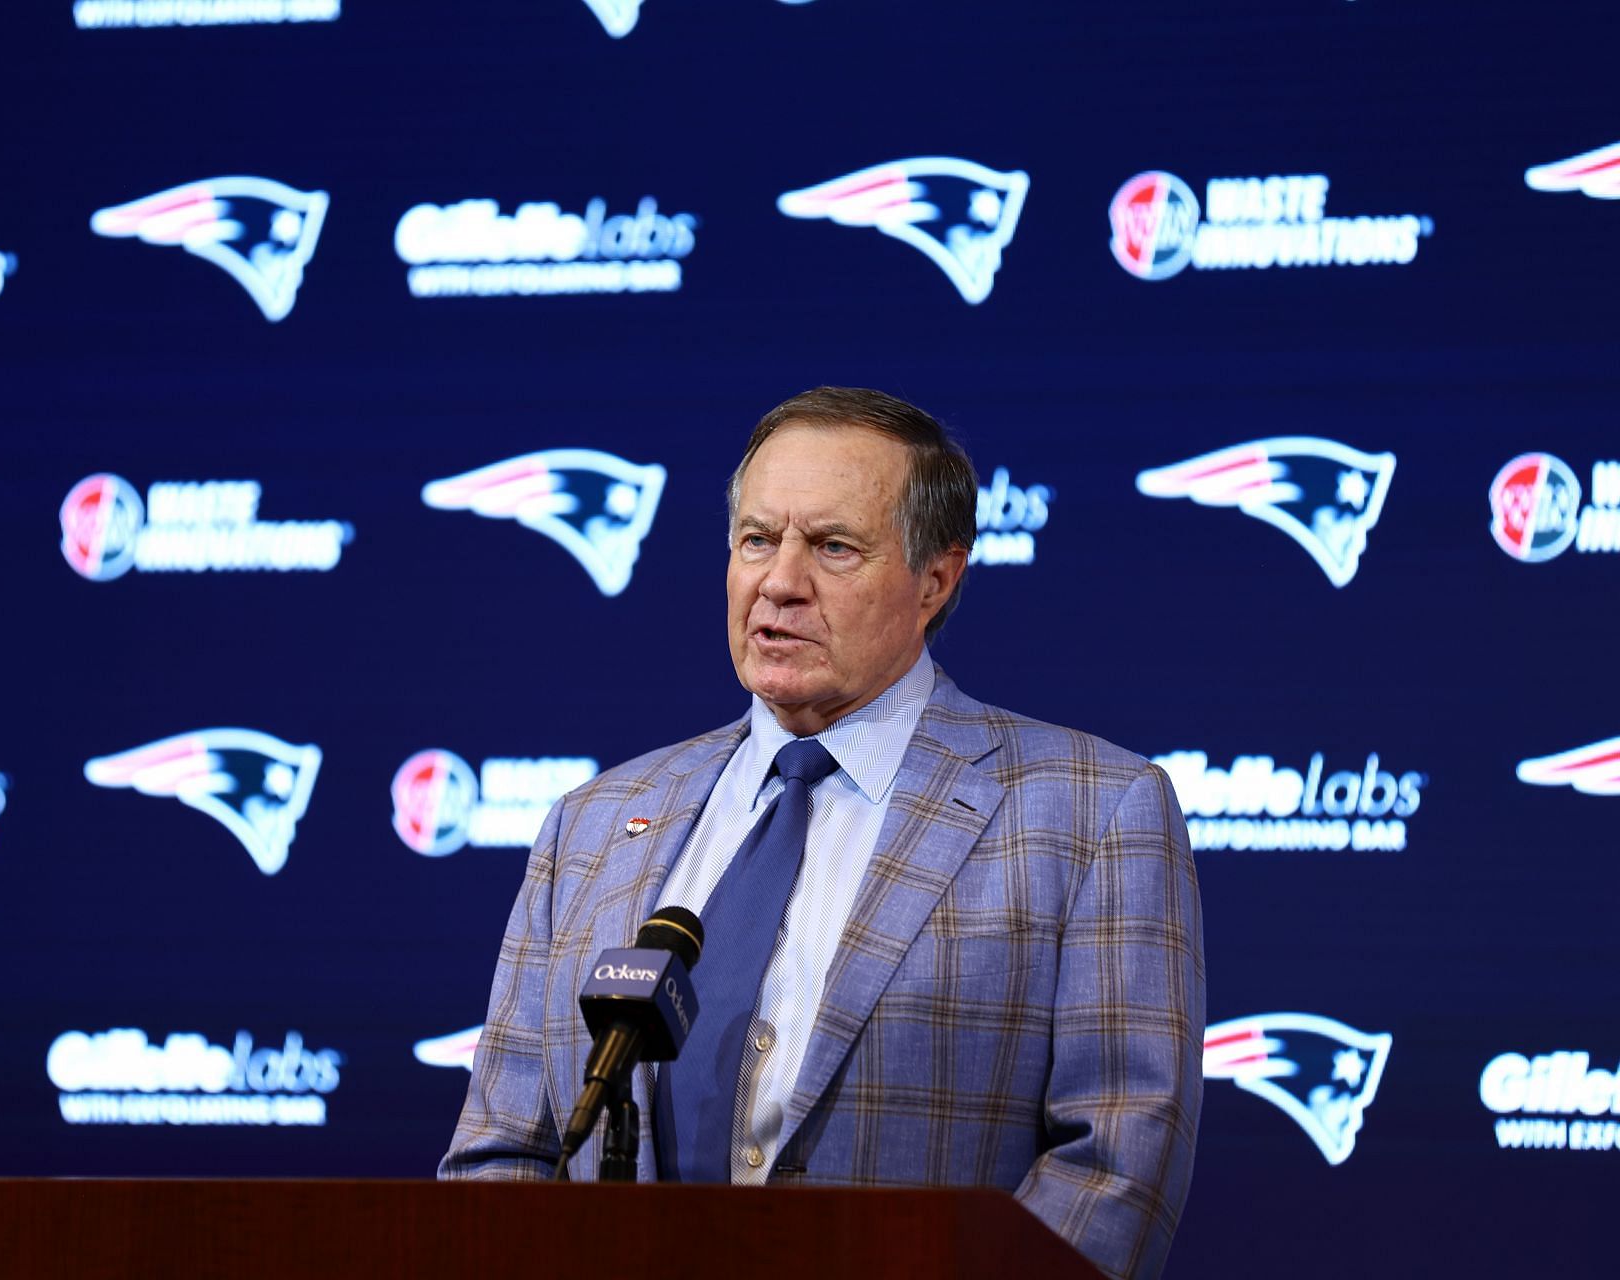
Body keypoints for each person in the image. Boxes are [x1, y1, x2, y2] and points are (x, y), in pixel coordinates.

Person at [441, 387, 1204, 1279]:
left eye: (834, 547)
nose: (780, 582)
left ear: (937, 579)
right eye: (758, 540)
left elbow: (1115, 1167)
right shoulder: (596, 824)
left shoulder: (1093, 810)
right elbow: (502, 1158)